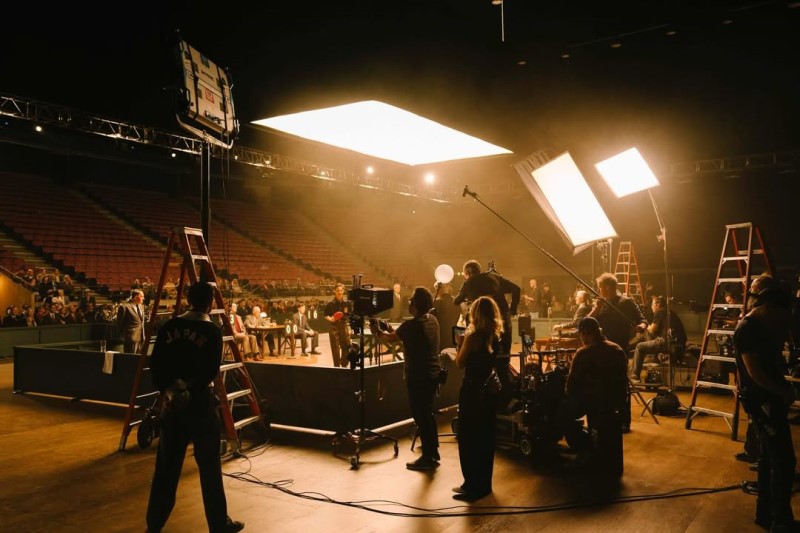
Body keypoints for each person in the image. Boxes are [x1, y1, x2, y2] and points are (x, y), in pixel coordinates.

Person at [145, 282, 244, 533]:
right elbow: (210, 371)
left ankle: (154, 526)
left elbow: (156, 365)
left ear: (188, 300)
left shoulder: (170, 325)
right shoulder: (211, 331)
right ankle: (218, 525)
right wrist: (188, 387)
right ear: (210, 302)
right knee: (210, 468)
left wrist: (170, 390)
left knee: (166, 469)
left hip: (172, 406)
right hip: (199, 404)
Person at [734, 275, 796, 531]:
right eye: (781, 315)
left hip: (764, 397)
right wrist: (782, 392)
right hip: (763, 399)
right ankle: (780, 521)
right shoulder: (748, 328)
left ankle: (766, 515)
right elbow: (754, 372)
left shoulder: (762, 324)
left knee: (769, 457)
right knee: (783, 460)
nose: (784, 320)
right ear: (768, 307)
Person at [376, 287, 441, 470]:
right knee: (428, 414)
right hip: (433, 374)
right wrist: (388, 327)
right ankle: (433, 451)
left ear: (416, 305)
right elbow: (402, 335)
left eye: (411, 300)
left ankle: (428, 457)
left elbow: (389, 338)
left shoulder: (411, 326)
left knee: (421, 416)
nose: (409, 303)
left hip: (418, 377)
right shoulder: (432, 320)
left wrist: (376, 330)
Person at [453, 296, 503, 502]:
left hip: (472, 391)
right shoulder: (495, 335)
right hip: (488, 391)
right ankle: (483, 484)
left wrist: (459, 344)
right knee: (485, 437)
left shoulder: (472, 338)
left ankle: (472, 486)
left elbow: (459, 362)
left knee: (468, 438)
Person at [557, 317, 628, 463]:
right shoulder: (617, 349)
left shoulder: (583, 353)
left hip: (593, 402)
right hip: (616, 401)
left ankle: (583, 447)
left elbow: (571, 387)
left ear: (586, 333)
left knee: (561, 413)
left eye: (580, 335)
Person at [587, 273, 647, 431]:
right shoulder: (602, 304)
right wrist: (596, 308)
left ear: (607, 287)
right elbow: (587, 323)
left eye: (600, 287)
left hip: (619, 349)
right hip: (602, 349)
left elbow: (642, 319)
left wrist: (641, 326)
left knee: (620, 385)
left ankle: (623, 422)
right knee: (602, 385)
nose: (599, 290)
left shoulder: (626, 302)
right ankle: (606, 419)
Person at [629, 296, 687, 382]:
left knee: (639, 346)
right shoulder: (670, 312)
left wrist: (643, 326)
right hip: (678, 344)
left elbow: (652, 330)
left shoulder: (660, 312)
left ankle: (635, 375)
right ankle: (652, 357)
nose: (651, 307)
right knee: (646, 333)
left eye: (652, 305)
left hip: (667, 343)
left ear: (657, 305)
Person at [324, 283, 351, 367]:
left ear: (343, 291)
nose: (339, 292)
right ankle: (337, 367)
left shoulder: (347, 303)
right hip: (334, 327)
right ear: (334, 291)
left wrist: (349, 328)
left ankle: (344, 364)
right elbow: (325, 315)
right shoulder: (330, 303)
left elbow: (349, 315)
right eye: (338, 290)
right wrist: (330, 319)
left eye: (341, 290)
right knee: (335, 348)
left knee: (346, 346)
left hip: (343, 326)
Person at [433, 282, 460, 349]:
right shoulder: (456, 302)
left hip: (441, 335)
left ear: (438, 289)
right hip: (453, 335)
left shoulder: (436, 303)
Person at [117, 289, 146, 353]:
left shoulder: (141, 306)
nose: (143, 298)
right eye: (142, 296)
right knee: (130, 360)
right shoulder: (124, 307)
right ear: (136, 297)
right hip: (131, 339)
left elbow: (141, 322)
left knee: (139, 360)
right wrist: (127, 335)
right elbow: (119, 323)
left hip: (141, 338)